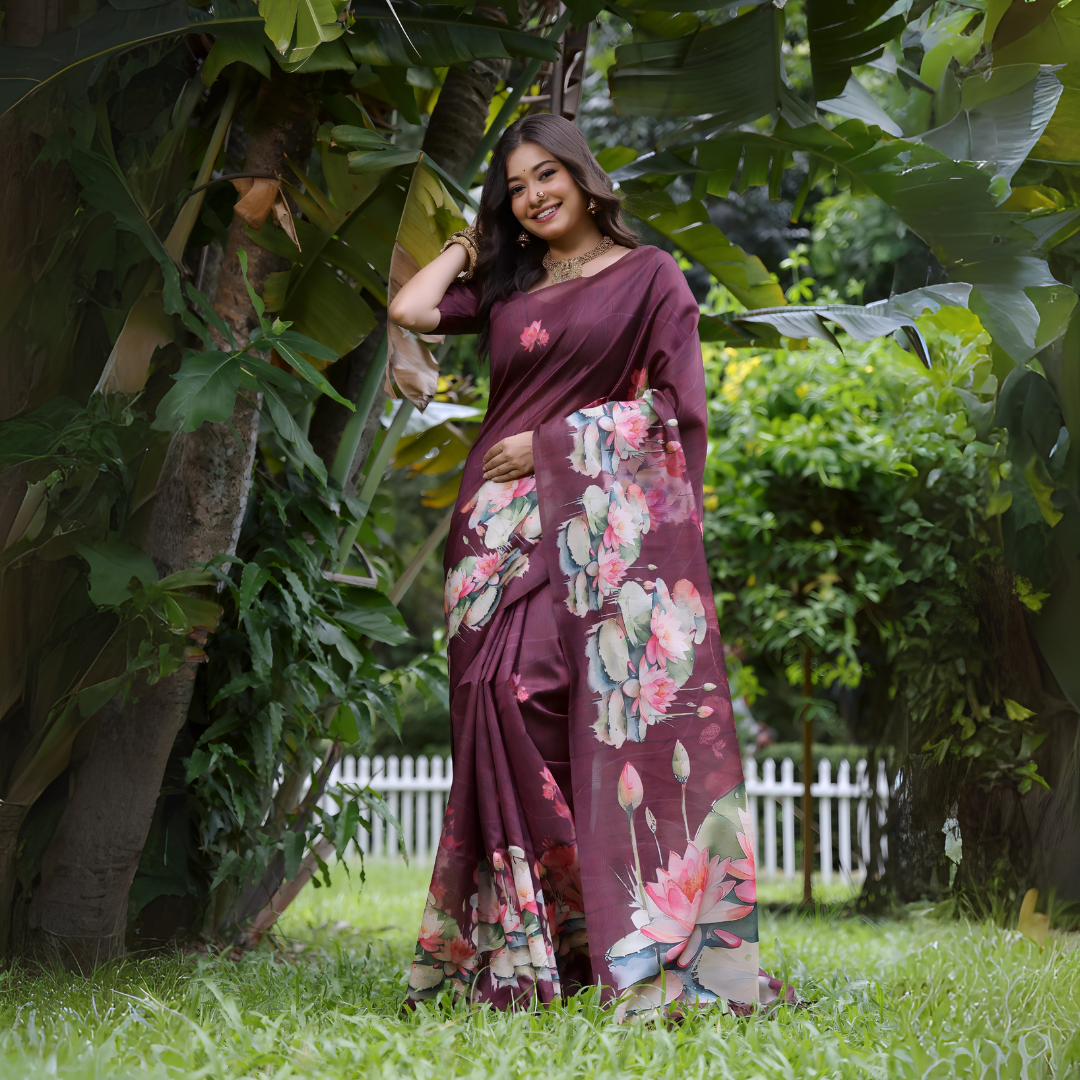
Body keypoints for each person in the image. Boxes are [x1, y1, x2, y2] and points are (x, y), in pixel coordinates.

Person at [390, 114, 780, 1017]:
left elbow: (675, 414)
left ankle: (621, 936)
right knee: (492, 701)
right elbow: (410, 310)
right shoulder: (505, 283)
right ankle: (535, 947)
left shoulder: (650, 278)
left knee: (544, 697)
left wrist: (554, 443)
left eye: (546, 175)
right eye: (516, 187)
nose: (533, 196)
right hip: (491, 531)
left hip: (589, 524)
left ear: (582, 172)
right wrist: (471, 238)